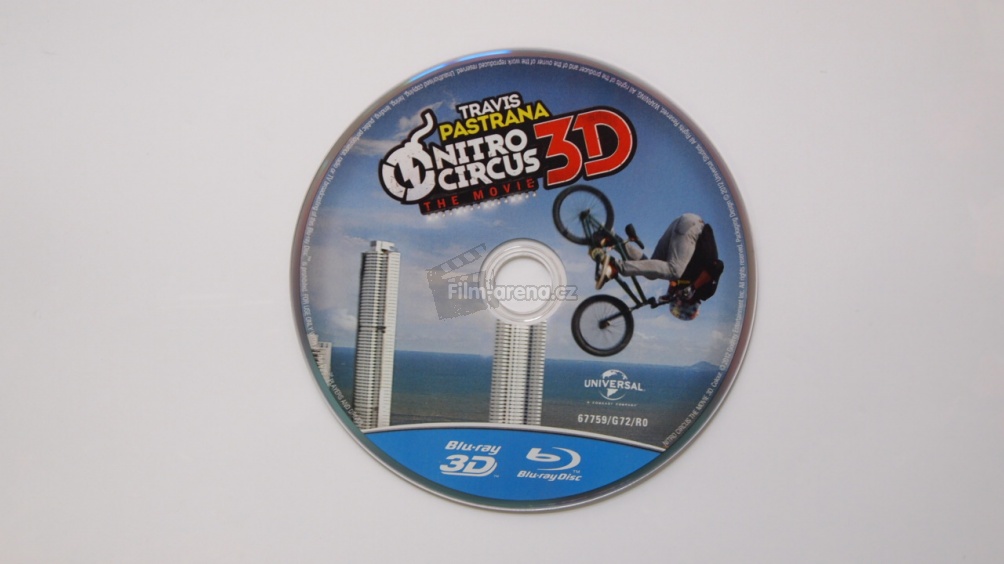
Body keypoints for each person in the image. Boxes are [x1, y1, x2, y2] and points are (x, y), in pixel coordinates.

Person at [592, 213, 724, 320]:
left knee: (652, 272)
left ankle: (612, 238)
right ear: (687, 306)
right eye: (678, 309)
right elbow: (717, 265)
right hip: (694, 228)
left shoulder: (682, 288)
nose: (676, 305)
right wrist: (693, 287)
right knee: (674, 270)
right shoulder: (705, 292)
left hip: (681, 227)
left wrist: (666, 296)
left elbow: (671, 279)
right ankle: (616, 266)